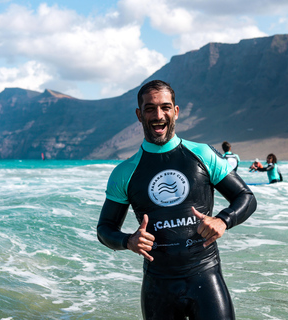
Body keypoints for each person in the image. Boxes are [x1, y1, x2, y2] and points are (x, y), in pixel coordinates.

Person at [97, 80, 257, 320]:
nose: (158, 115)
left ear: (176, 111)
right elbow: (105, 229)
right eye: (150, 108)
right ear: (139, 115)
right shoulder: (125, 172)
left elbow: (245, 197)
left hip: (205, 275)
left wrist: (223, 220)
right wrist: (128, 240)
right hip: (157, 285)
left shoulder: (201, 154)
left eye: (165, 107)